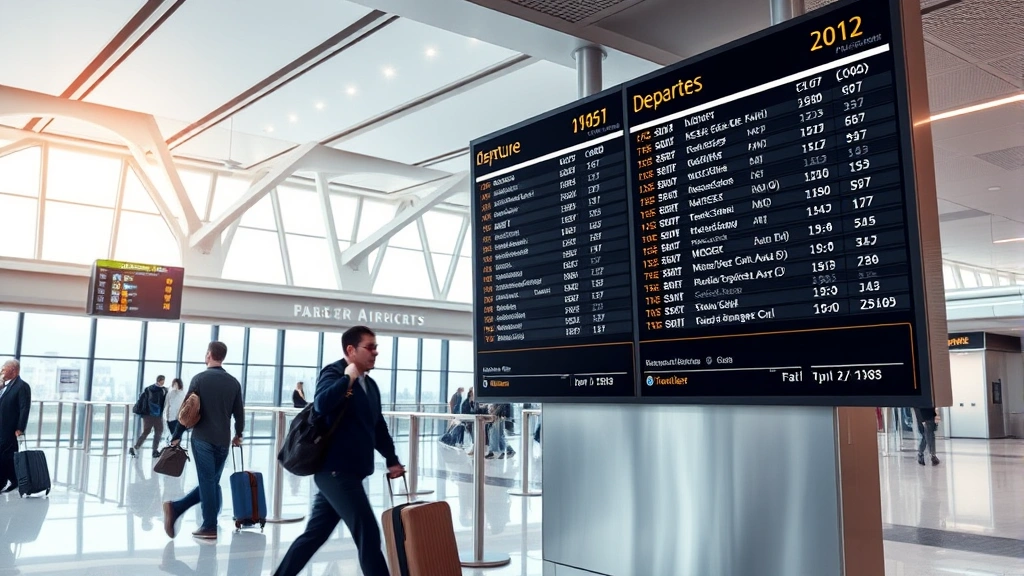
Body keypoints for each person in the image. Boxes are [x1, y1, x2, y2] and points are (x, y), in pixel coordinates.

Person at [273, 326, 404, 576]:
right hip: (335, 471)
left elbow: (377, 425)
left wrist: (392, 459)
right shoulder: (334, 373)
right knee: (368, 531)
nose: (375, 352)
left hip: (349, 472)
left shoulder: (370, 385)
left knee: (314, 536)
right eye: (370, 347)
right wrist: (348, 378)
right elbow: (321, 404)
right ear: (351, 350)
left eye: (376, 347)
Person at [162, 342, 244, 540]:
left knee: (208, 482)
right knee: (211, 482)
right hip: (223, 440)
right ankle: (176, 509)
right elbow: (239, 413)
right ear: (222, 357)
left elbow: (186, 410)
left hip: (202, 438)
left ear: (209, 355)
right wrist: (238, 434)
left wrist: (176, 435)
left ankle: (207, 525)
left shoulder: (199, 379)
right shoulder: (233, 382)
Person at [0, 359, 31, 493]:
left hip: (11, 429)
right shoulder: (5, 386)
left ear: (13, 370)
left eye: (3, 369)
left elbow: (24, 408)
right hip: (2, 428)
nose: (1, 372)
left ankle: (3, 482)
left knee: (5, 455)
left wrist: (20, 428)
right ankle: (14, 479)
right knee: (6, 456)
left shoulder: (22, 386)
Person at [130, 375, 167, 458]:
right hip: (155, 415)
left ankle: (136, 447)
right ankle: (154, 451)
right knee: (158, 431)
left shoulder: (149, 389)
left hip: (147, 415)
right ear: (160, 381)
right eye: (163, 381)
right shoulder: (162, 390)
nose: (163, 382)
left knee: (147, 431)